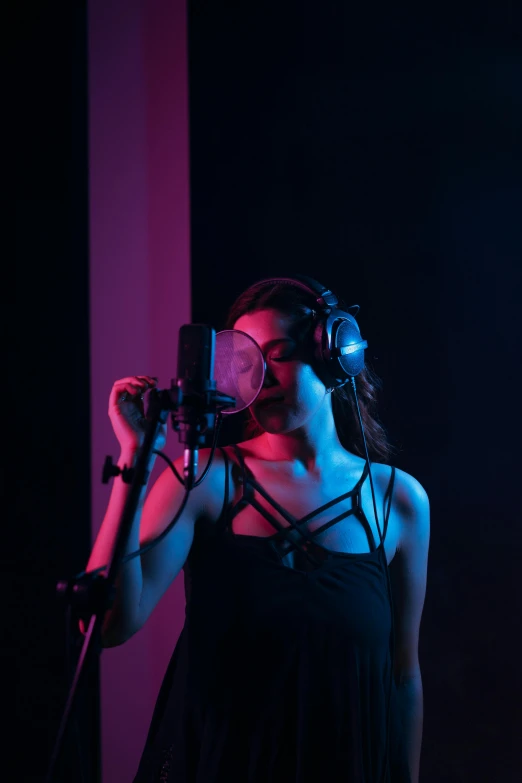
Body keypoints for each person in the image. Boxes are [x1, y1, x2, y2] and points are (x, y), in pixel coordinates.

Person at [85, 275, 430, 783]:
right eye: (247, 363)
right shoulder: (201, 479)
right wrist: (136, 460)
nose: (261, 376)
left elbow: (402, 675)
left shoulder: (398, 500)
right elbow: (109, 625)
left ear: (337, 357)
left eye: (279, 354)